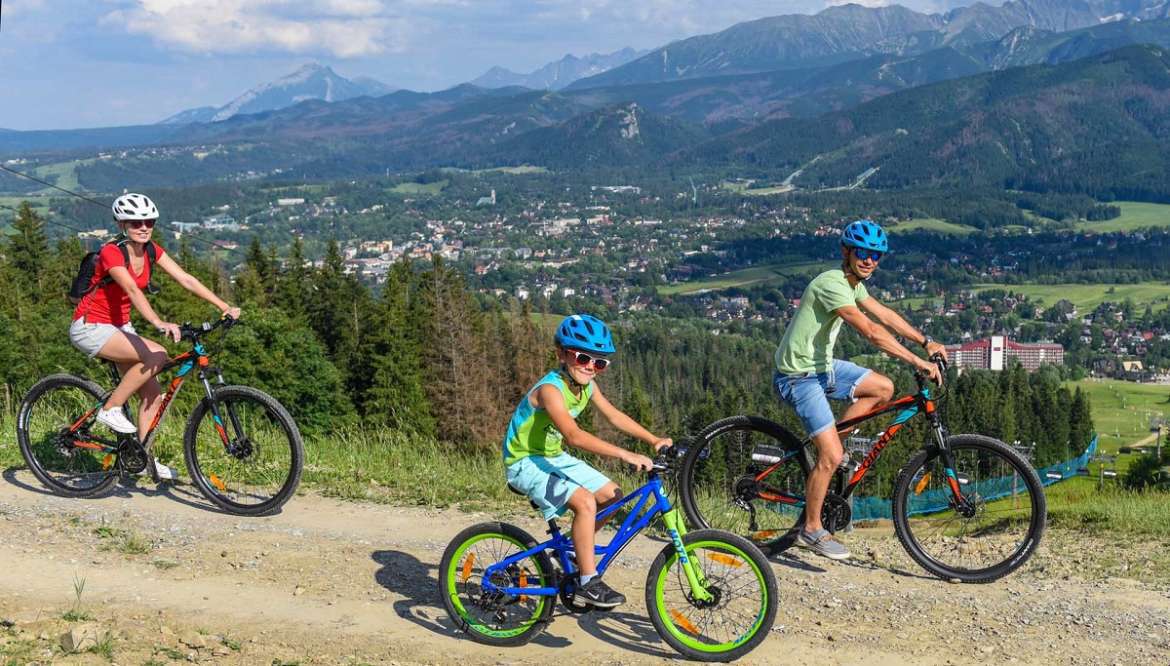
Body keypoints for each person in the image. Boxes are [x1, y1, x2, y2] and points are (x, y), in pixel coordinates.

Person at [773, 219, 945, 560]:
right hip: (798, 376)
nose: (870, 260)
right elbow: (871, 330)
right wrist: (917, 360)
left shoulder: (854, 284)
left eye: (876, 255)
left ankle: (832, 449)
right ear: (846, 252)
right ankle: (811, 528)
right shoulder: (831, 284)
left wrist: (926, 341)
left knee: (882, 388)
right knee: (832, 456)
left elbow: (884, 314)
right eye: (863, 253)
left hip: (823, 368)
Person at [503, 314, 672, 608]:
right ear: (562, 354)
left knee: (613, 496)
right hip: (525, 462)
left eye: (600, 363)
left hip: (552, 456)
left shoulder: (586, 386)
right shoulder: (550, 390)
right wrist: (625, 453)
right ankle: (587, 581)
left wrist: (652, 439)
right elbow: (574, 436)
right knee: (584, 502)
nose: (590, 367)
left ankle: (571, 549)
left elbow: (613, 416)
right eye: (583, 358)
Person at [69, 193, 241, 478]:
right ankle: (110, 409)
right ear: (123, 223)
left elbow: (186, 278)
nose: (144, 226)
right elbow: (132, 290)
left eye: (149, 221)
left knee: (152, 394)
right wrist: (159, 322)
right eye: (136, 222)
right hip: (90, 326)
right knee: (158, 354)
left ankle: (143, 461)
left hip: (119, 326)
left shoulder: (150, 250)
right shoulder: (113, 251)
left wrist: (224, 306)